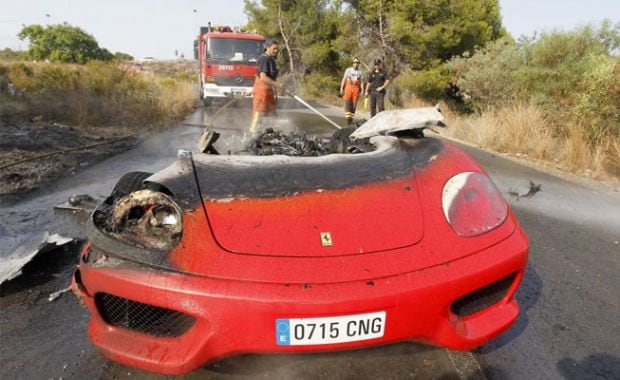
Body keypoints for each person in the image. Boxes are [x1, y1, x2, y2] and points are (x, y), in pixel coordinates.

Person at [251, 38, 283, 132]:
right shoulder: (263, 59)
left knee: (271, 113)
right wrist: (277, 84)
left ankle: (269, 132)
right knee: (259, 113)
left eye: (277, 49)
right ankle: (252, 134)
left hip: (268, 91)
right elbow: (263, 77)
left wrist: (281, 87)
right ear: (267, 48)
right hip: (261, 91)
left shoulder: (271, 61)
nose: (276, 51)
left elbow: (272, 78)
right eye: (274, 49)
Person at [339, 57, 364, 125]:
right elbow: (344, 79)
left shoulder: (360, 72)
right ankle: (347, 120)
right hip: (348, 89)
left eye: (357, 63)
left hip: (356, 90)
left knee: (354, 106)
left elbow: (361, 81)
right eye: (354, 63)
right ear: (352, 64)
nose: (356, 64)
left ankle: (351, 119)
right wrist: (341, 88)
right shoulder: (348, 70)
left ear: (358, 64)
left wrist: (362, 90)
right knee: (347, 105)